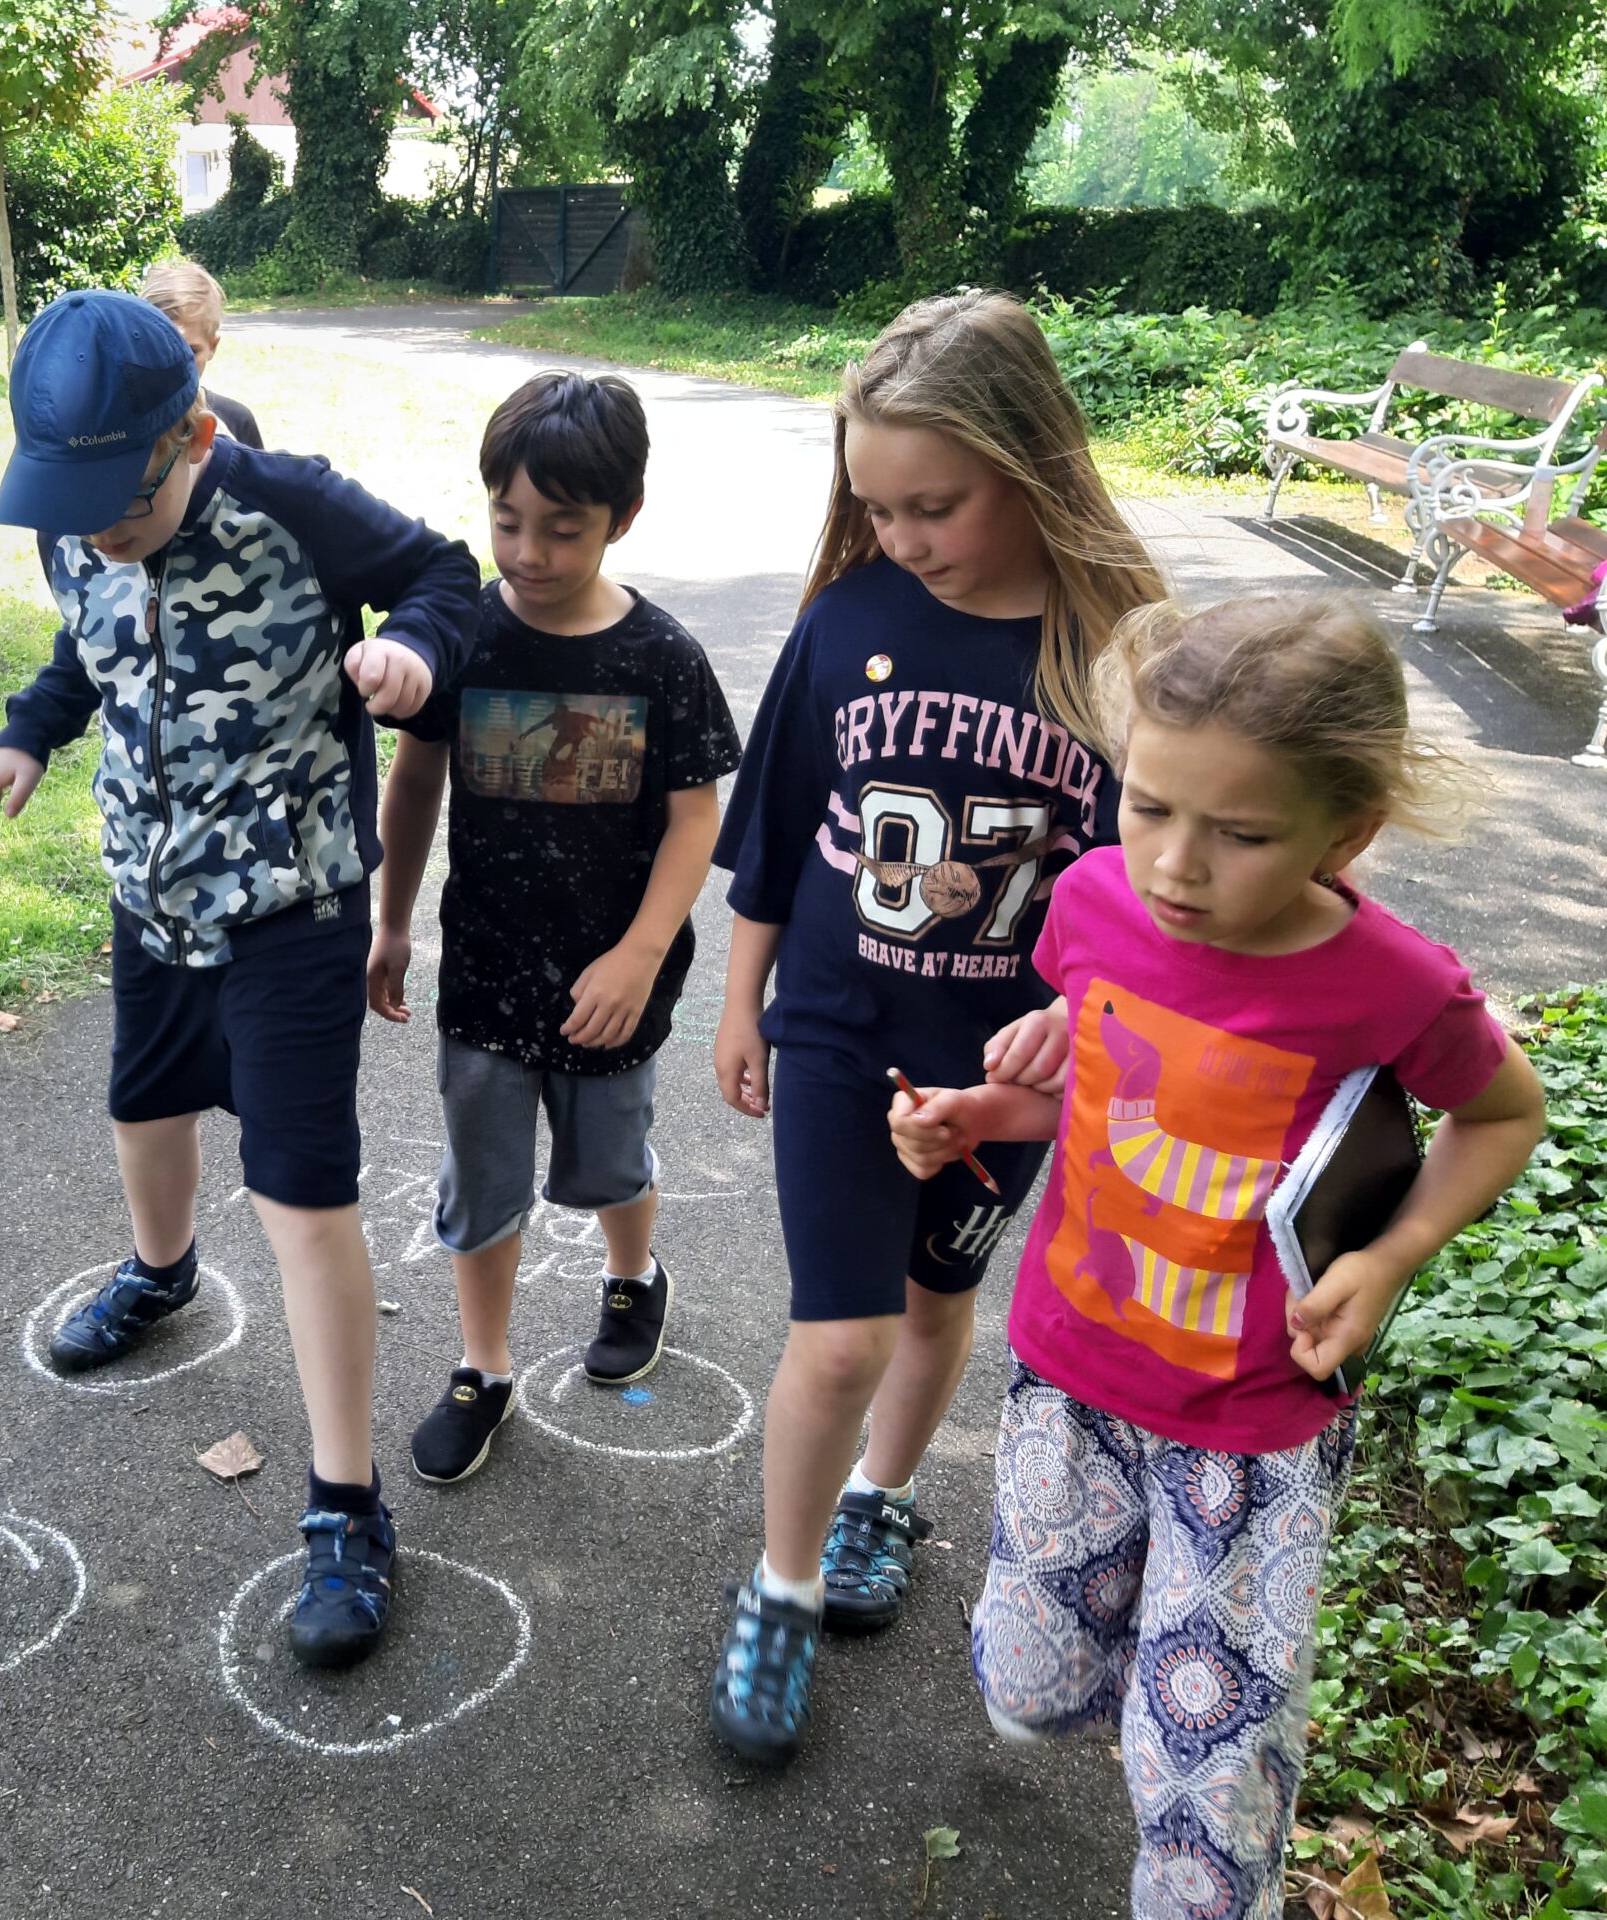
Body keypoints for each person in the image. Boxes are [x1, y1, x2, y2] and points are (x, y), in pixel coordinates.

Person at [888, 593, 1546, 1920]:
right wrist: (980, 1115)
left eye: (1240, 834)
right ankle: (1128, 1672)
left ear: (1345, 833)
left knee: (1204, 1775)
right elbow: (1107, 1091)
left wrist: (1396, 1253)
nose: (1175, 866)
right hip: (1069, 1378)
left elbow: (1503, 1115)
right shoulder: (1092, 900)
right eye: (1147, 806)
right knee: (1026, 1686)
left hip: (1247, 1430)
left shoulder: (1392, 983)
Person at [0, 290, 478, 1667]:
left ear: (189, 436)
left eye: (117, 505)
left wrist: (412, 650)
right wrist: (27, 735)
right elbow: (85, 651)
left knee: (300, 1197)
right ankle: (161, 1274)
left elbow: (443, 571)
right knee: (145, 1114)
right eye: (68, 510)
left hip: (293, 906)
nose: (94, 534)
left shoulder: (290, 502)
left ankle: (348, 1504)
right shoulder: (77, 524)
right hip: (152, 895)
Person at [706, 290, 1167, 1763]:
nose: (900, 536)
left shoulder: (1122, 653)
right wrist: (740, 1002)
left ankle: (880, 1501)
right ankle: (779, 1590)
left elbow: (1161, 890)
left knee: (930, 1299)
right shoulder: (845, 620)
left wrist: (1077, 1013)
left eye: (934, 505)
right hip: (840, 1034)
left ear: (1030, 463)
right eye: (876, 506)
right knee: (837, 1337)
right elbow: (775, 831)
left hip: (1009, 1075)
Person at [370, 371, 741, 1484]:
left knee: (609, 1164)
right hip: (485, 972)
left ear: (623, 517)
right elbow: (414, 779)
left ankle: (633, 1277)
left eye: (562, 529)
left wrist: (638, 955)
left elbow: (694, 821)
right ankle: (482, 1369)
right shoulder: (466, 636)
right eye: (507, 521)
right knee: (481, 1184)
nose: (527, 553)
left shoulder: (660, 658)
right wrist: (392, 921)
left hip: (612, 981)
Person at [140, 258, 263, 448]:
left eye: (191, 352)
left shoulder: (236, 421)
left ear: (212, 346)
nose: (175, 368)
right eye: (161, 350)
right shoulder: (120, 422)